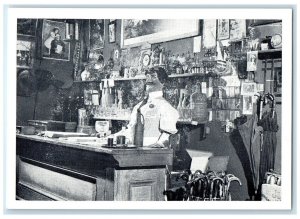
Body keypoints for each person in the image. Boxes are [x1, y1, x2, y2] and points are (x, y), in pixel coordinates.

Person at [111, 67, 179, 148]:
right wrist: (111, 137)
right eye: (147, 77)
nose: (148, 80)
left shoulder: (166, 107)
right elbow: (130, 131)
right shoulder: (138, 106)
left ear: (163, 82)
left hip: (152, 155)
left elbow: (169, 134)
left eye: (153, 76)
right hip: (134, 153)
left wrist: (159, 144)